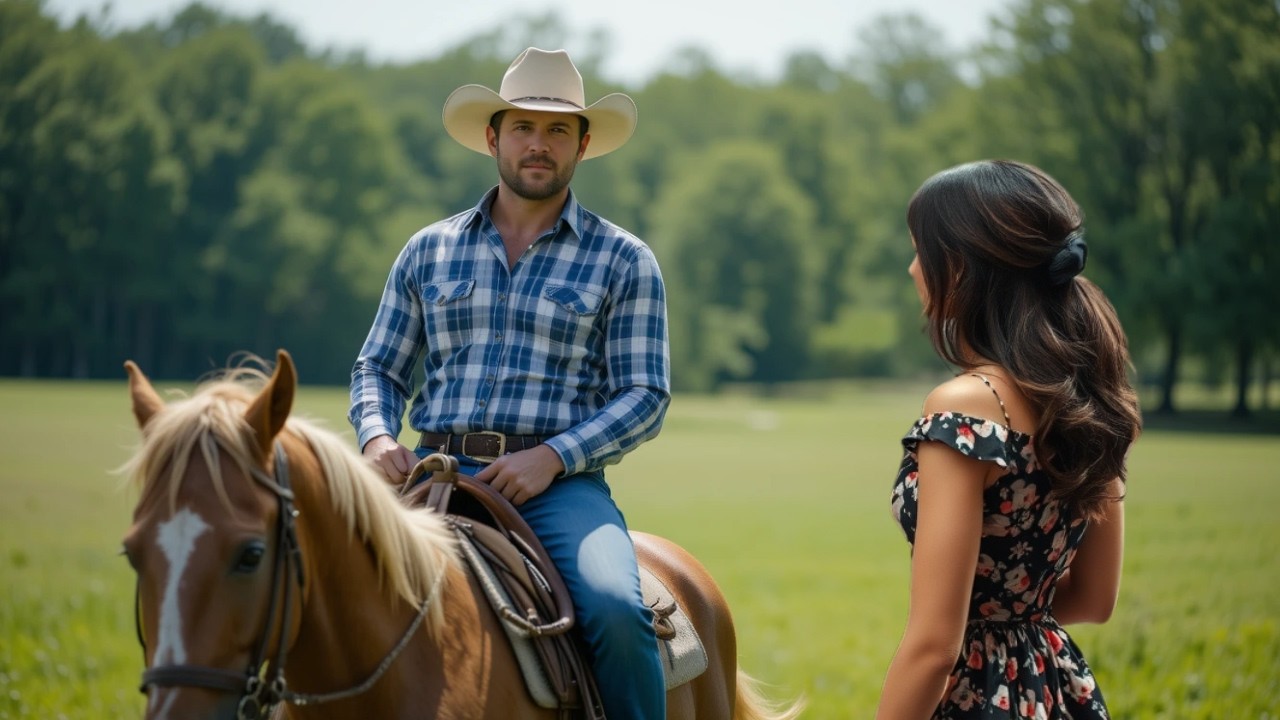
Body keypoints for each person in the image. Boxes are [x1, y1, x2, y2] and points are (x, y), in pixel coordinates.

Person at [348, 48, 669, 719]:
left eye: (558, 131)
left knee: (614, 607)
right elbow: (378, 367)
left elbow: (644, 395)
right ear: (493, 137)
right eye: (523, 127)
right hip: (427, 472)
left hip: (559, 488)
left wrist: (552, 458)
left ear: (583, 145)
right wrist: (378, 439)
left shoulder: (624, 259)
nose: (538, 145)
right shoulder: (427, 249)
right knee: (306, 582)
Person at [877, 159, 1142, 719]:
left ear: (961, 268)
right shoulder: (1090, 396)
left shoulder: (964, 409)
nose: (911, 269)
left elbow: (933, 649)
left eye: (921, 251)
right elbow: (1094, 600)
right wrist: (1015, 624)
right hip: (1053, 689)